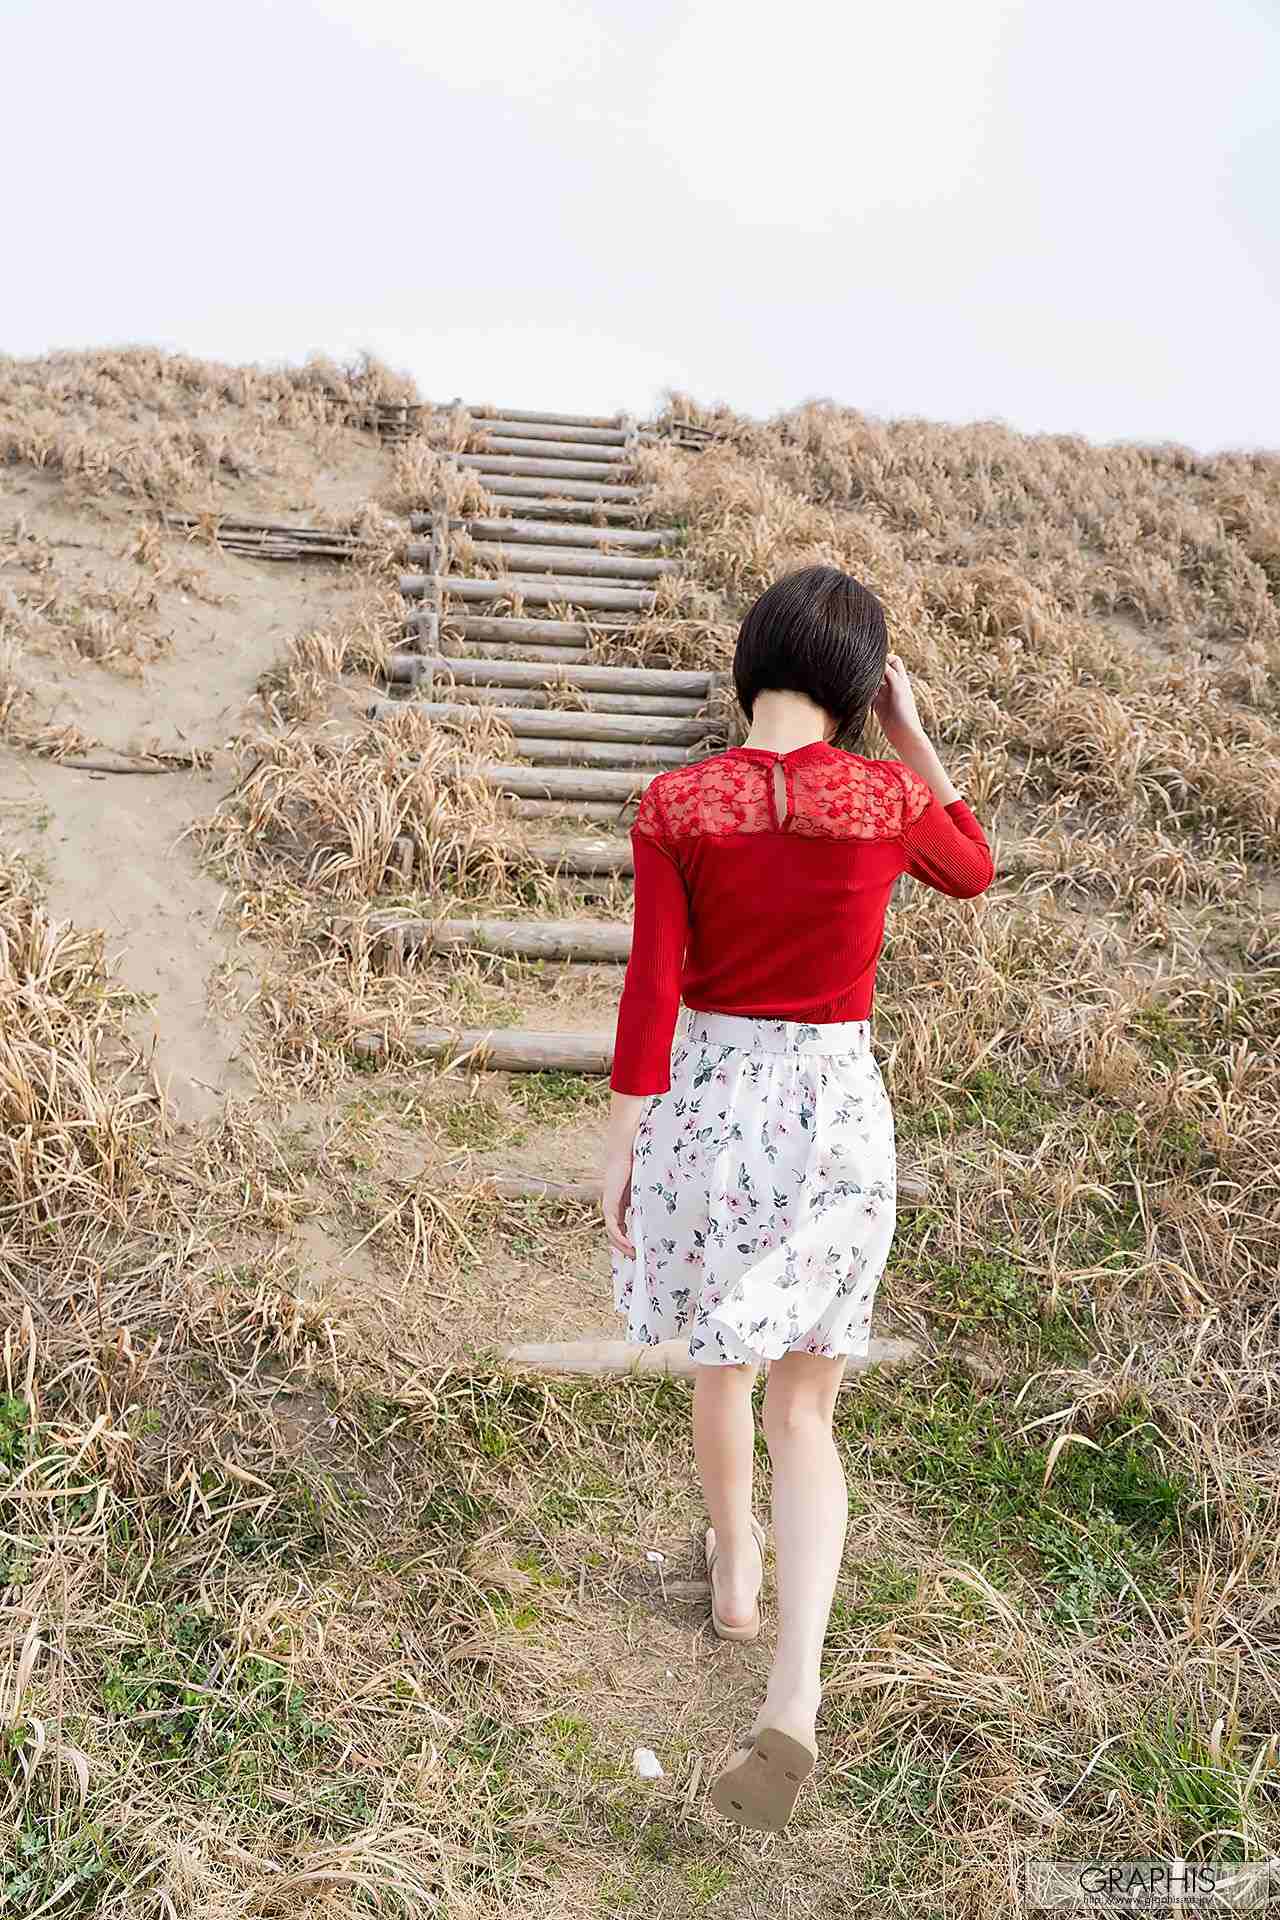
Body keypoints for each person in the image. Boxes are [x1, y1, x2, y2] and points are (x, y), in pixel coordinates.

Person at [600, 564, 995, 1833]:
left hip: (711, 1106)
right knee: (805, 1407)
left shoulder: (679, 803)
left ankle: (733, 1580)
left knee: (720, 1365)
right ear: (855, 683)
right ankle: (792, 1698)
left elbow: (650, 988)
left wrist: (621, 1139)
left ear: (750, 660)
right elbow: (972, 870)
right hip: (834, 1116)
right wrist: (910, 734)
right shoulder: (883, 798)